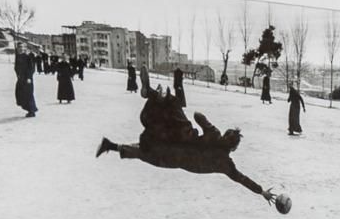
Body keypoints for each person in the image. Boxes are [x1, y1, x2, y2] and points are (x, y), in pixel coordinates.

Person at [97, 89, 291, 212]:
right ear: (233, 148)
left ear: (226, 137)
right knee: (146, 151)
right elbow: (242, 179)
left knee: (162, 128)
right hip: (176, 159)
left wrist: (208, 125)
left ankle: (158, 98)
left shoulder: (214, 135)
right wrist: (261, 191)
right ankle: (113, 143)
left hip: (179, 144)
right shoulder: (226, 164)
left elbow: (198, 115)